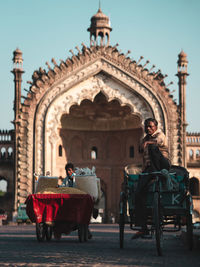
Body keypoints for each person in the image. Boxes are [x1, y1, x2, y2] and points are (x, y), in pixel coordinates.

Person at [132, 118, 171, 239]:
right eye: (146, 127)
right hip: (149, 169)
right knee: (138, 193)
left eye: (151, 126)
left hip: (162, 166)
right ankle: (143, 227)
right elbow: (139, 149)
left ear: (156, 126)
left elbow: (158, 142)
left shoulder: (160, 135)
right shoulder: (144, 139)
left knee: (153, 148)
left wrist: (148, 143)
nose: (148, 128)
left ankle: (155, 173)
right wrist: (144, 142)